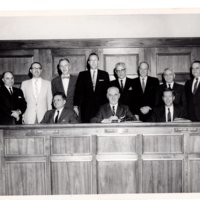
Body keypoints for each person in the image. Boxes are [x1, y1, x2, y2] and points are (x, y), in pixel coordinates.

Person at [74, 52, 110, 123]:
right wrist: (75, 106)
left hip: (101, 107)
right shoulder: (82, 75)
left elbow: (108, 92)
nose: (93, 62)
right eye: (91, 60)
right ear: (88, 62)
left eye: (95, 60)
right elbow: (78, 91)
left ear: (98, 62)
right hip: (86, 108)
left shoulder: (104, 74)